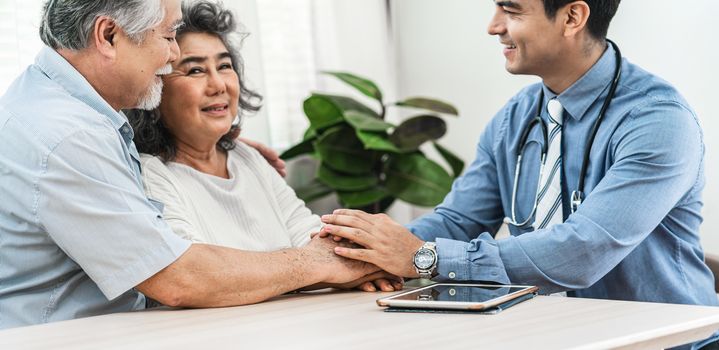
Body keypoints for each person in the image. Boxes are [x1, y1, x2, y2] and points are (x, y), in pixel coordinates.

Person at [317, 0, 718, 348]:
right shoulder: (516, 117)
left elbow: (584, 249)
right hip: (547, 335)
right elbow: (459, 220)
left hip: (671, 342)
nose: (493, 27)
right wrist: (363, 250)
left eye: (510, 11)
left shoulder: (657, 120)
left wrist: (423, 258)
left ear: (572, 16)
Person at [0, 0, 382, 330]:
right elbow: (177, 278)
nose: (171, 57)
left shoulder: (66, 115)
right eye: (167, 37)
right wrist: (317, 264)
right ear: (108, 36)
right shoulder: (70, 136)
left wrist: (208, 143)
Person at [126, 0, 400, 293]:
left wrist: (352, 264)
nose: (218, 84)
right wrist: (329, 270)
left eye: (224, 66)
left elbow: (314, 240)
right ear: (155, 88)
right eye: (195, 71)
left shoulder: (248, 158)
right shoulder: (148, 174)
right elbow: (202, 277)